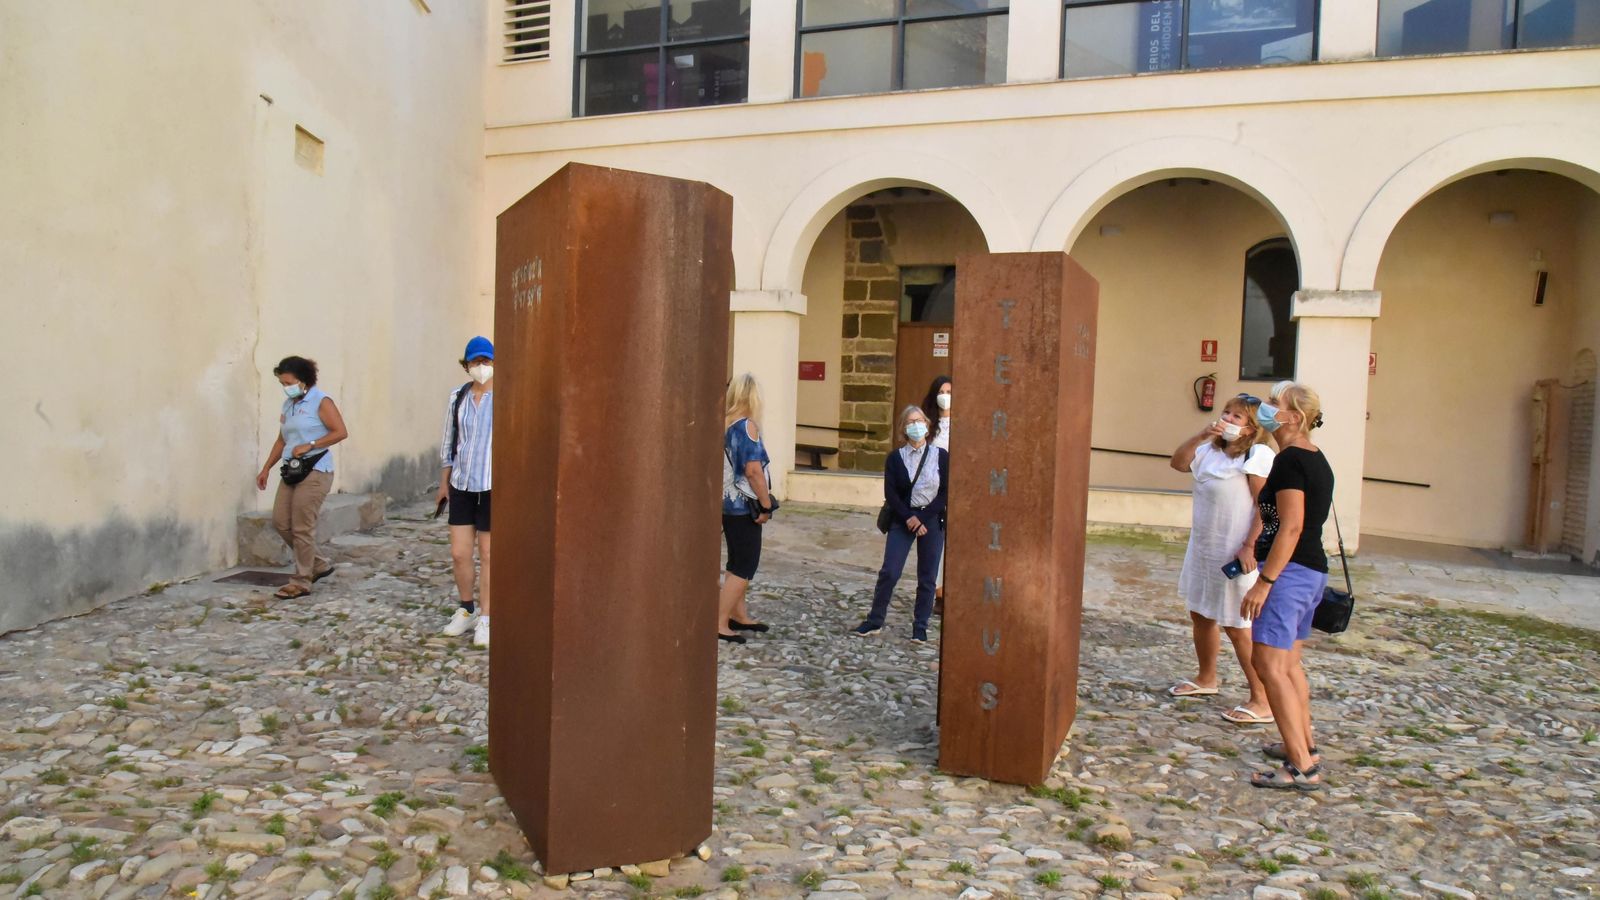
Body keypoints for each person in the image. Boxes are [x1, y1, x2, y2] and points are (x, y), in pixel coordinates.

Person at [1240, 381, 1334, 791]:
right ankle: (1303, 745)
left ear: (1293, 417)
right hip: (1310, 572)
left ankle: (1301, 766)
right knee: (1289, 666)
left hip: (1290, 574)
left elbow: (1291, 526)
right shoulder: (1313, 456)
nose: (1265, 406)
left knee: (1269, 665)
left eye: (1273, 402)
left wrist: (1264, 582)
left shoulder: (1292, 460)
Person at [1166, 394, 1275, 725]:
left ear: (1251, 428)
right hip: (1205, 548)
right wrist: (1202, 435)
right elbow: (1178, 463)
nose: (1227, 418)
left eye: (1237, 417)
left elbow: (1265, 506)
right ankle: (1206, 677)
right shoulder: (1209, 451)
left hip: (1235, 549)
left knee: (1237, 624)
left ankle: (1262, 698)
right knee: (1200, 613)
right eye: (1226, 412)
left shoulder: (1257, 455)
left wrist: (1250, 545)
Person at [853, 405, 949, 643]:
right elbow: (892, 494)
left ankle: (920, 625)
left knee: (927, 576)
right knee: (890, 571)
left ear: (927, 425)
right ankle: (875, 620)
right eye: (910, 422)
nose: (916, 426)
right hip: (903, 517)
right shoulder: (895, 458)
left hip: (930, 519)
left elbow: (945, 492)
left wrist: (922, 519)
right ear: (904, 429)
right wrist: (909, 518)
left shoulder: (941, 456)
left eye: (919, 421)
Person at [256, 356, 348, 600]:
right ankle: (317, 563)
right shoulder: (288, 405)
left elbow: (340, 432)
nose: (285, 387)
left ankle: (301, 580)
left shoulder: (321, 401)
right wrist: (266, 468)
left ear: (303, 380)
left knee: (302, 526)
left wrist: (312, 444)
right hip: (292, 469)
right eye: (282, 383)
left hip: (315, 469)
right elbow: (282, 439)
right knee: (281, 522)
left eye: (289, 383)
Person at [437, 336, 495, 648]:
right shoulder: (458, 397)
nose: (481, 367)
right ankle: (467, 608)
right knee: (460, 553)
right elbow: (449, 443)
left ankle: (487, 616)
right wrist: (443, 483)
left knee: (488, 554)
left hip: (491, 484)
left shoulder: (503, 397)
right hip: (462, 484)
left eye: (486, 361)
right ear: (466, 365)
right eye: (476, 361)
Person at [719, 374, 775, 644]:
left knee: (735, 562)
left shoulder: (727, 425)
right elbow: (753, 470)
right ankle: (720, 622)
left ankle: (738, 615)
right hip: (744, 506)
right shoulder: (747, 426)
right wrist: (766, 503)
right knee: (745, 566)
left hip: (728, 504)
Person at [920, 377, 952, 614]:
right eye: (941, 392)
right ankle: (937, 592)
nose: (945, 396)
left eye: (949, 392)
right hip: (933, 491)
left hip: (957, 490)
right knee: (935, 545)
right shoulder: (928, 425)